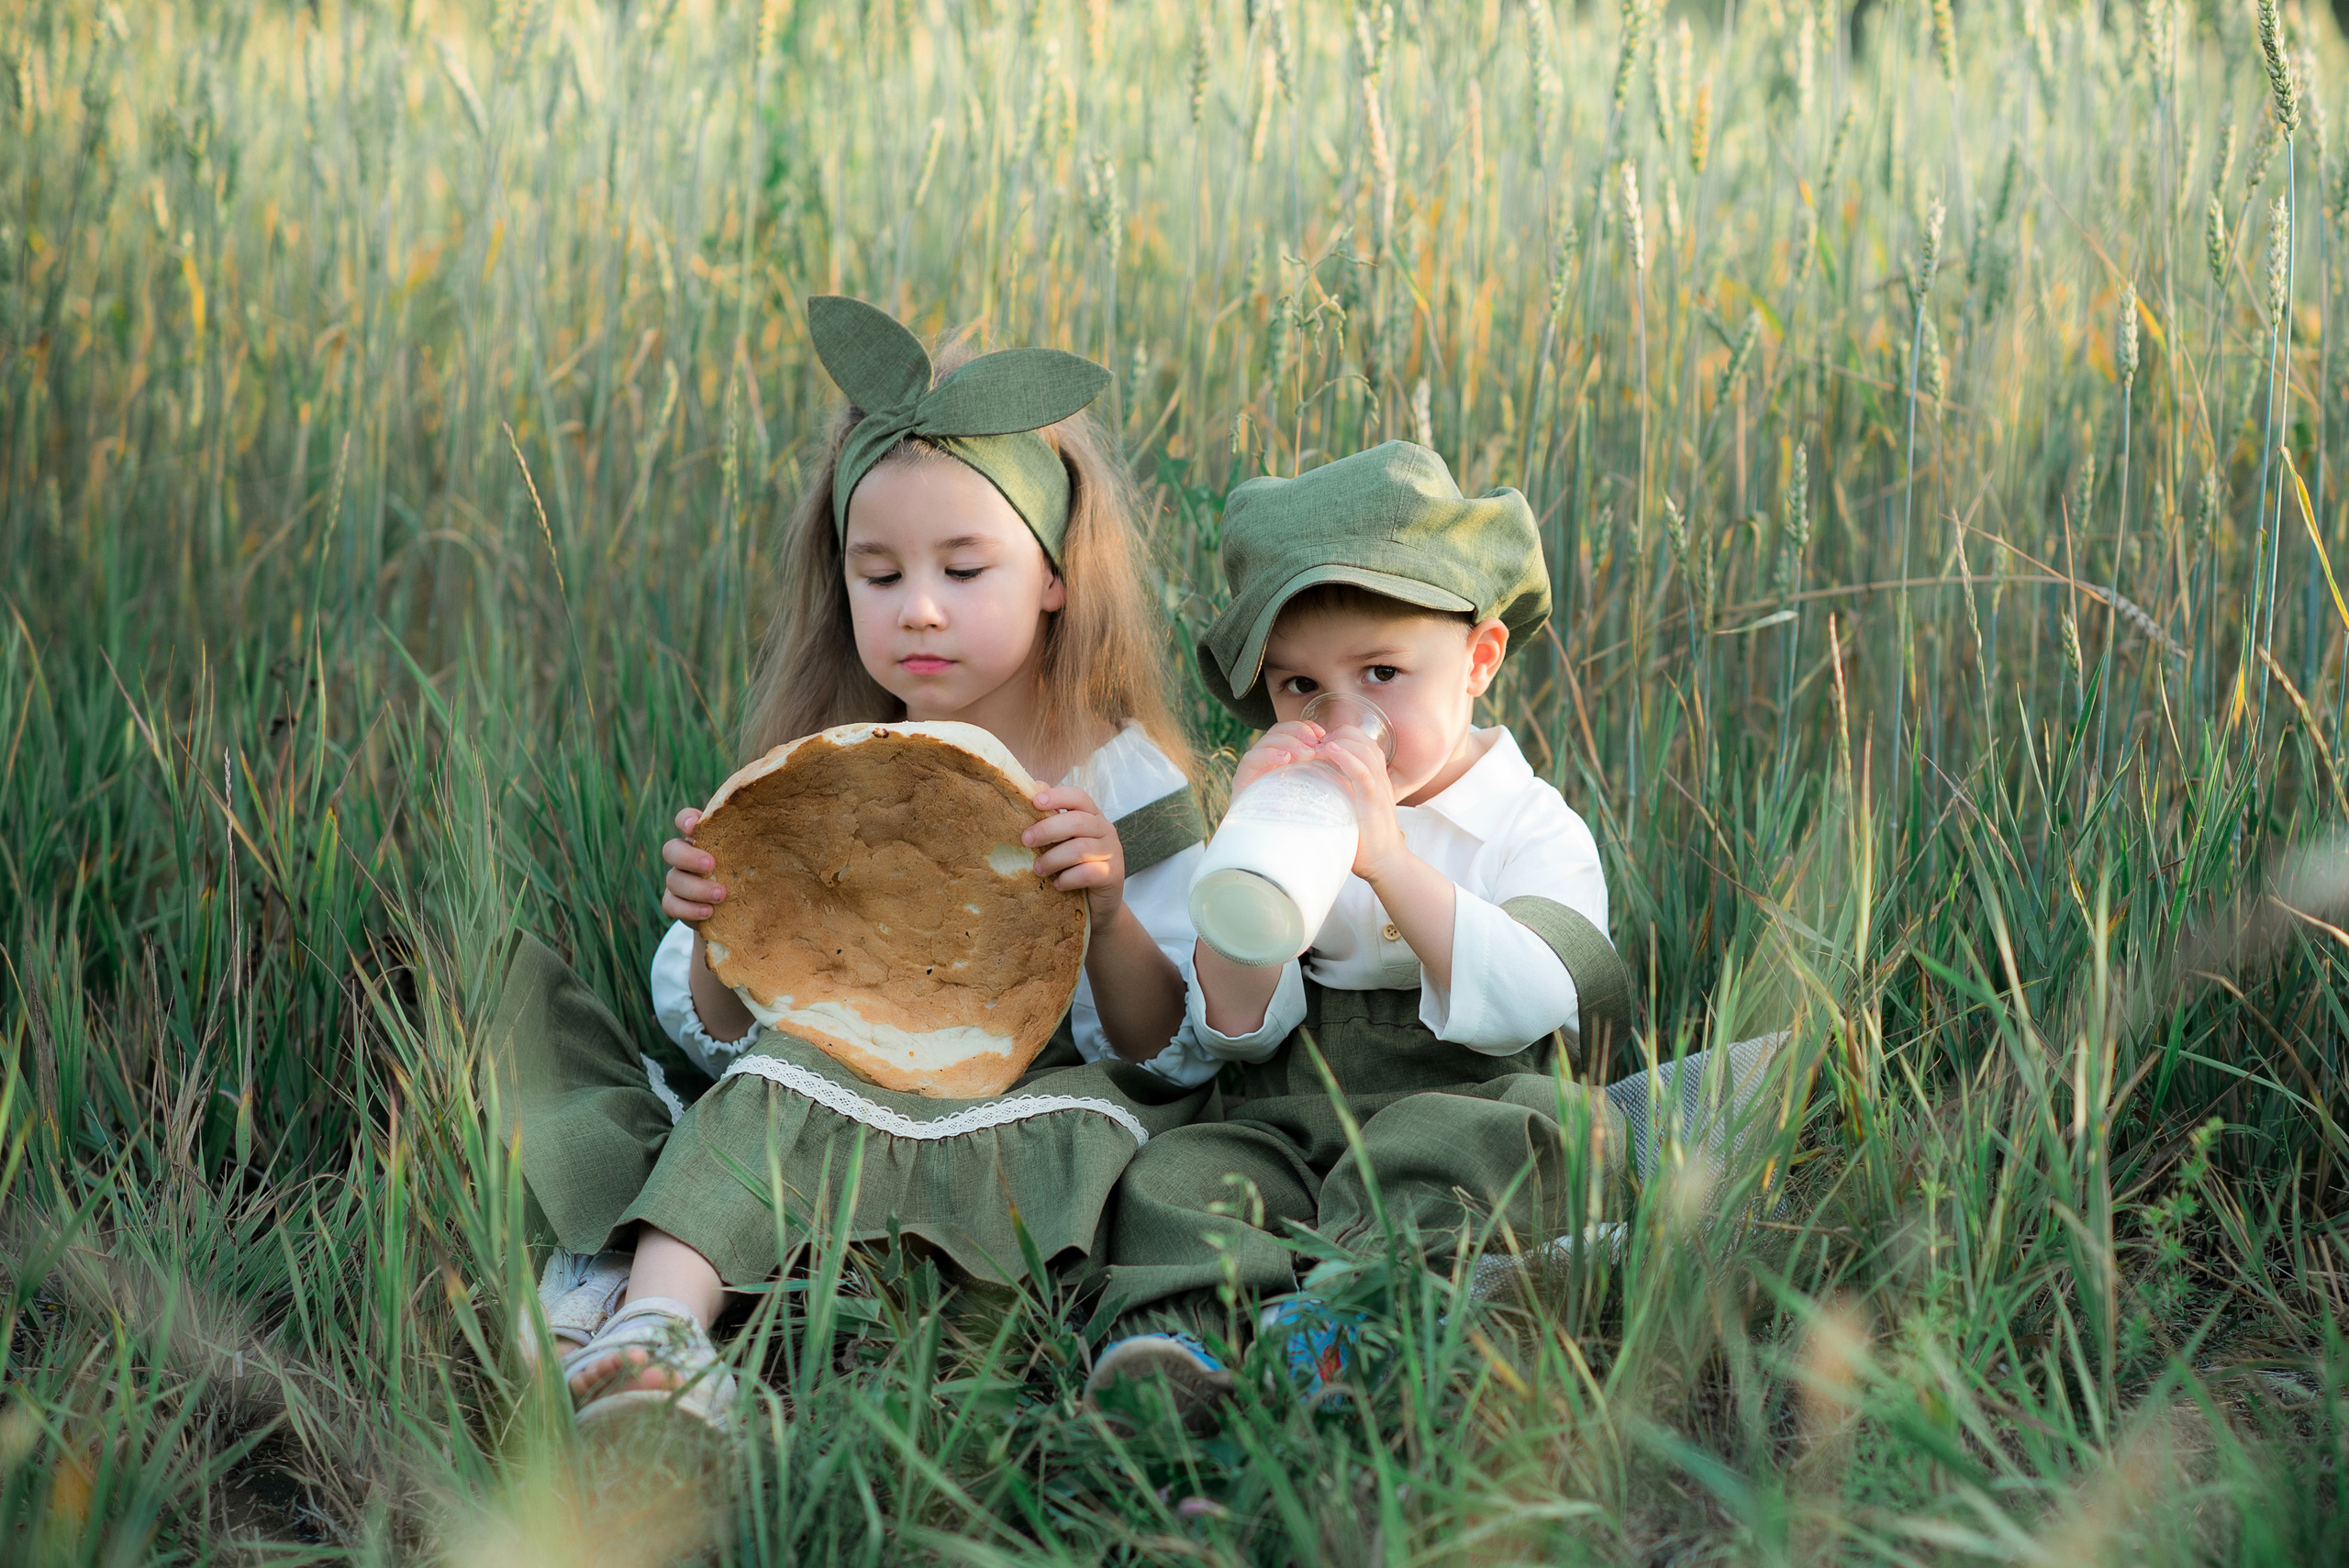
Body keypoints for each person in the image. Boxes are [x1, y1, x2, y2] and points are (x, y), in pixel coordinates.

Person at [488, 296, 1221, 1429]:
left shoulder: (1122, 782)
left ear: (1056, 573)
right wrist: (719, 931)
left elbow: (1167, 1050)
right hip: (839, 1086)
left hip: (1032, 1110)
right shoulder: (831, 768)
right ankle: (660, 1333)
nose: (917, 610)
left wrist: (1111, 913)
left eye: (964, 569)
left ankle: (1075, 1329)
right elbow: (726, 1029)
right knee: (759, 1089)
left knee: (1130, 1145)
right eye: (878, 576)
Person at [1085, 440, 1636, 1413]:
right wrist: (1243, 860)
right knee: (1182, 1169)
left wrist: (1390, 862)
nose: (1344, 719)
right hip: (1297, 1117)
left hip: (1468, 1100)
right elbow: (1233, 1027)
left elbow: (1539, 993)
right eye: (1299, 687)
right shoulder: (1285, 818)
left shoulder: (1531, 825)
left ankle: (1345, 1320)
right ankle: (1183, 1342)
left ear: (1478, 660)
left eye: (1381, 671)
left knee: (1511, 1139)